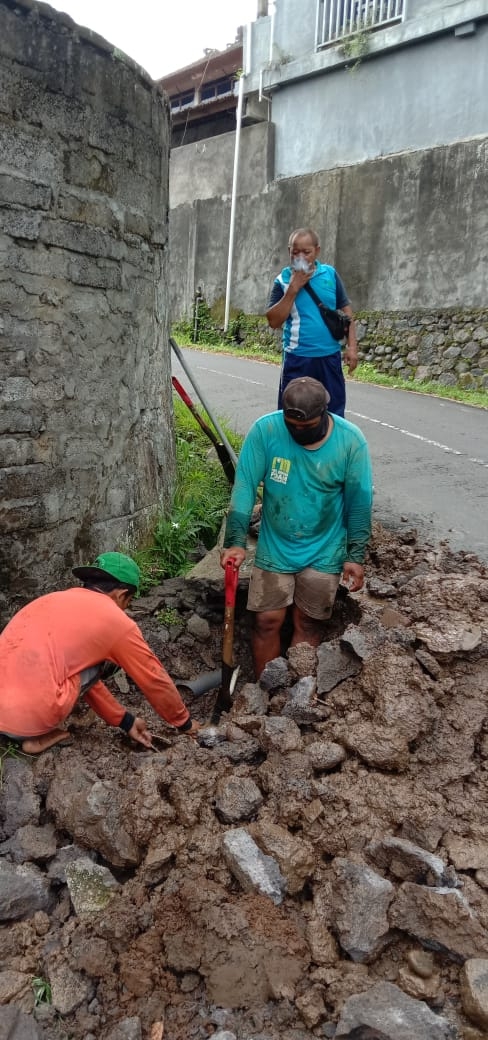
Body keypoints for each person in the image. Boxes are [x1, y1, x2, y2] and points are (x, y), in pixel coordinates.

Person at [220, 377, 373, 679]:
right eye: (292, 426)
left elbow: (359, 501)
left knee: (309, 622)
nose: (298, 432)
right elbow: (245, 485)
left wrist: (355, 554)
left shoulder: (350, 441)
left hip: (325, 547)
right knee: (266, 620)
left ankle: (297, 690)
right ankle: (267, 690)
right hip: (276, 544)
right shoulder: (266, 431)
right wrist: (235, 540)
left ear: (325, 413)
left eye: (306, 426)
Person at [0, 551, 200, 754]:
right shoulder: (114, 621)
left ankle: (16, 731)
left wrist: (127, 722)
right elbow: (154, 679)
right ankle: (34, 735)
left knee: (70, 665)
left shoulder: (53, 599)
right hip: (26, 717)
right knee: (93, 665)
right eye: (127, 603)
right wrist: (185, 724)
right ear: (122, 594)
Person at [266, 227, 358, 417]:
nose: (300, 257)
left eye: (306, 252)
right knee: (293, 412)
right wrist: (293, 288)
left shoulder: (330, 275)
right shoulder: (282, 280)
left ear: (317, 251)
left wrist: (352, 347)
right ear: (288, 251)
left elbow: (347, 312)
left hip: (329, 357)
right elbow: (273, 321)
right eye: (295, 252)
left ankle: (330, 445)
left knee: (333, 411)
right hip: (297, 358)